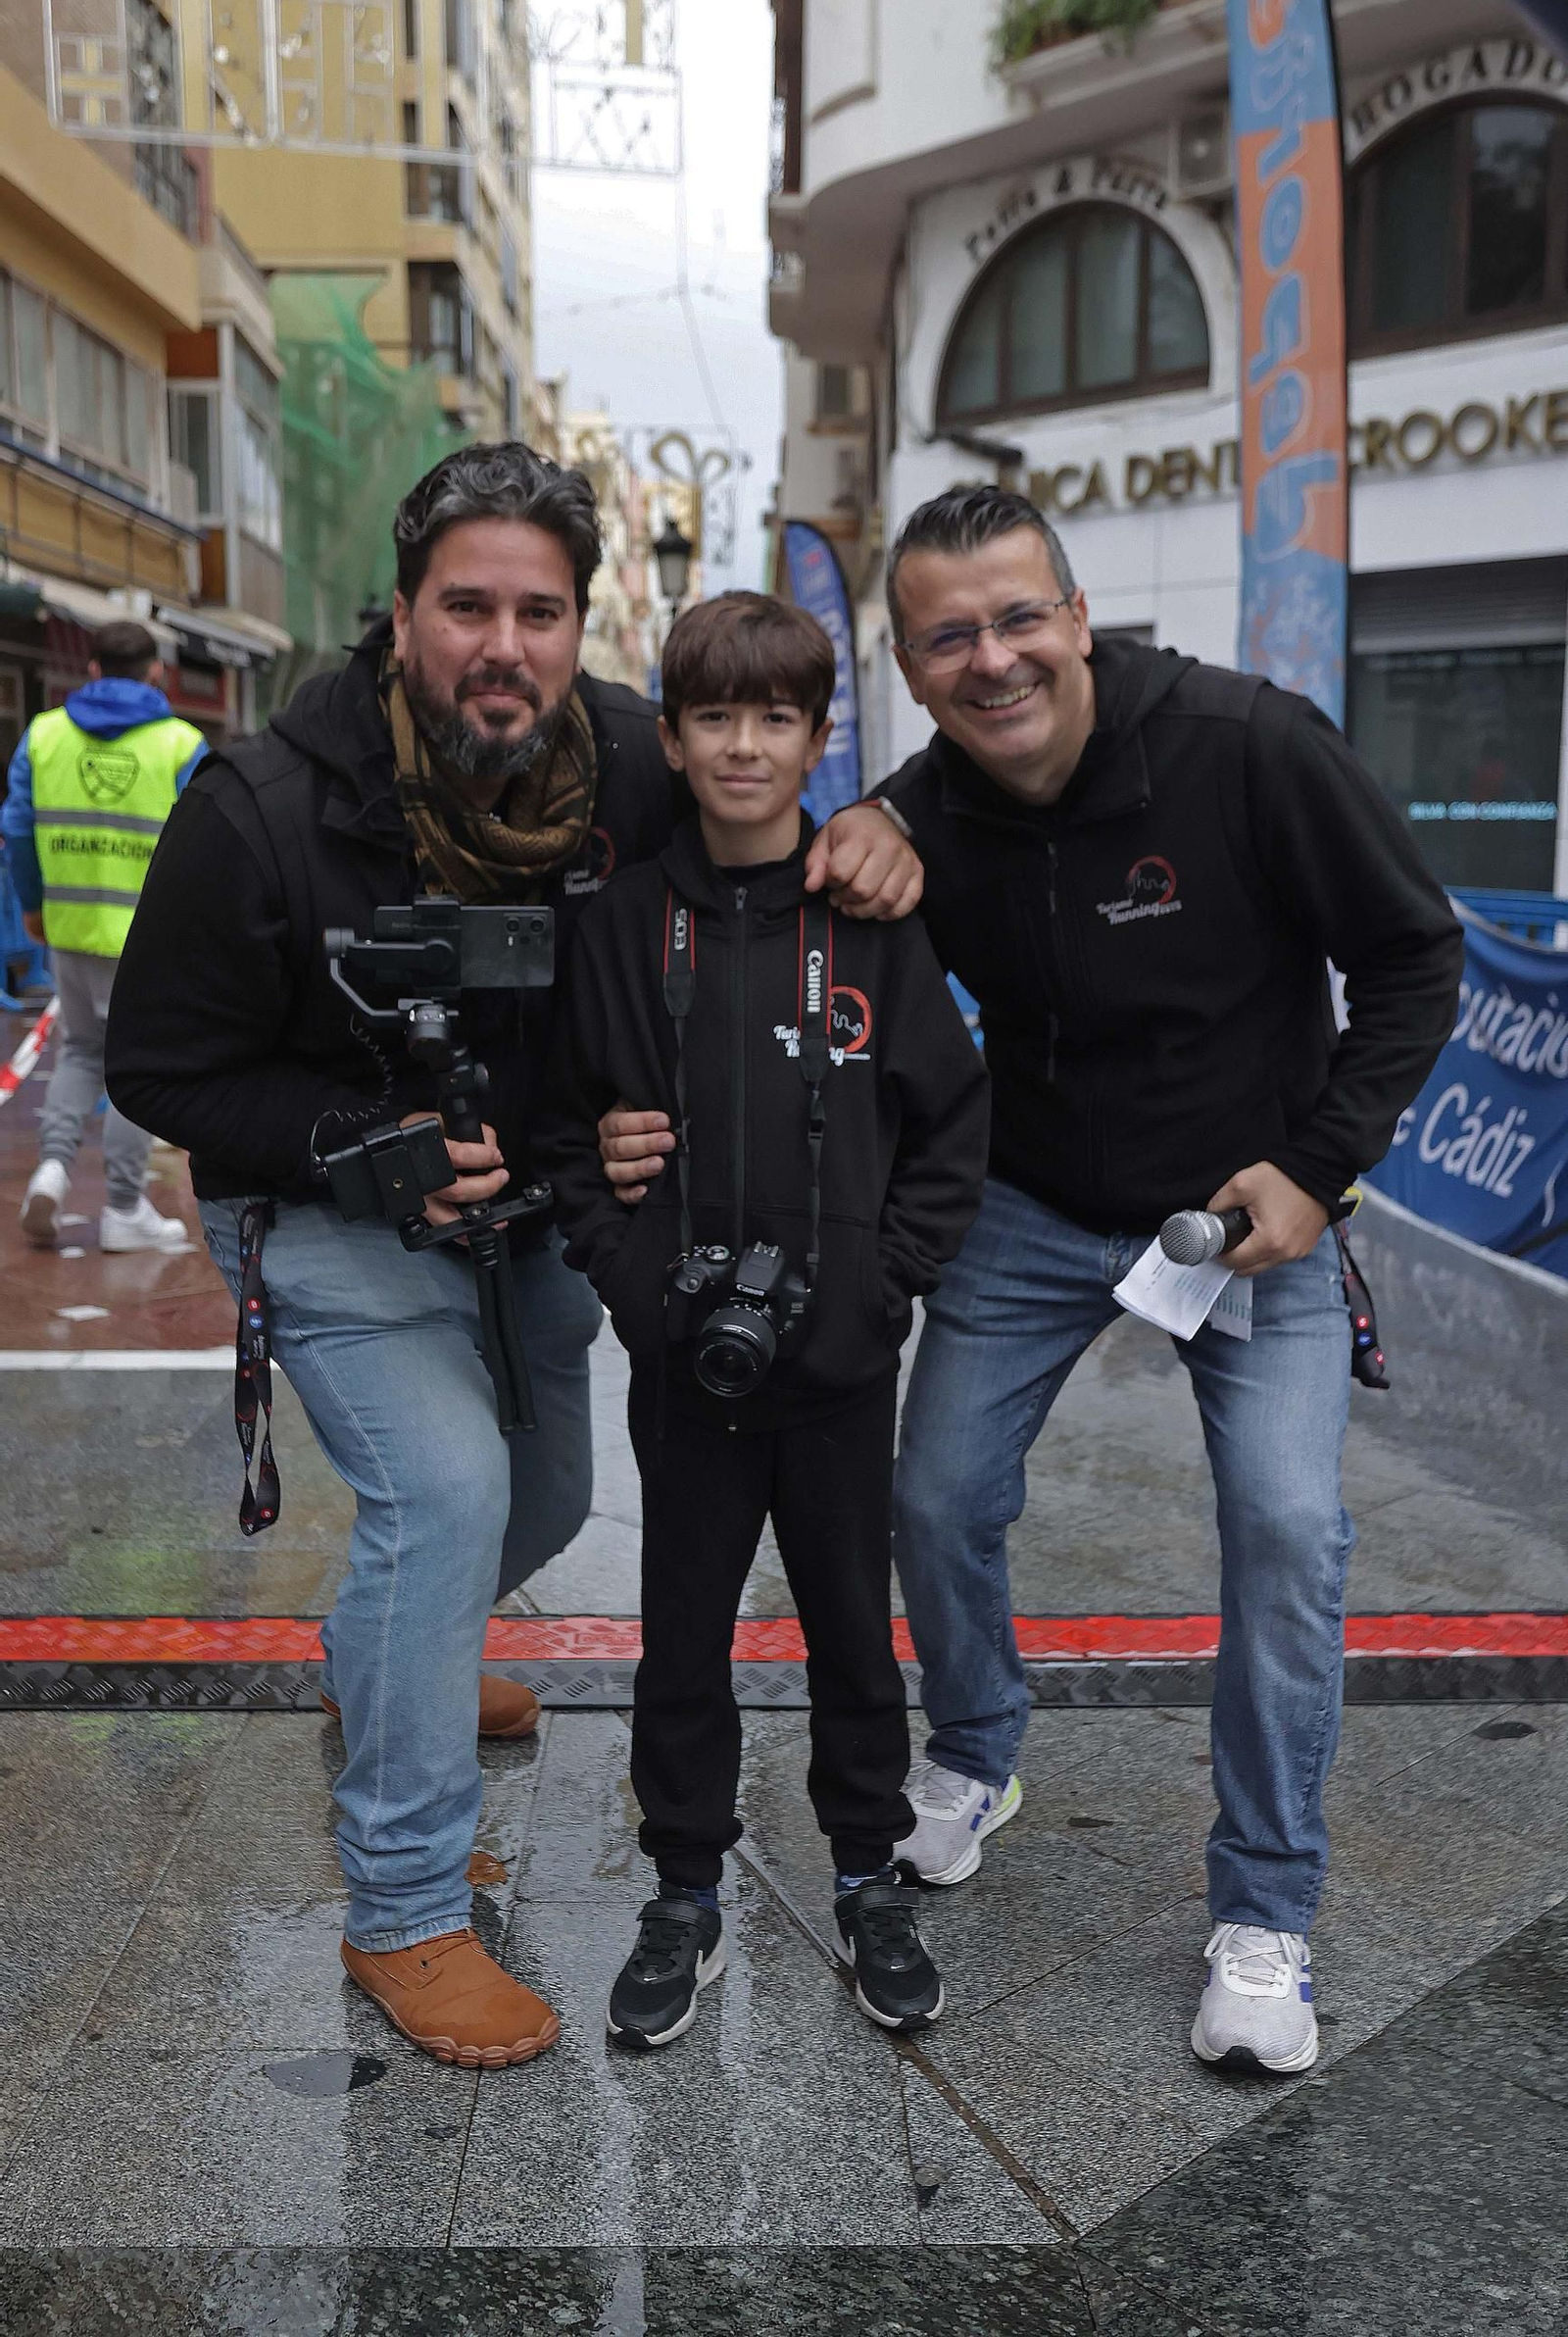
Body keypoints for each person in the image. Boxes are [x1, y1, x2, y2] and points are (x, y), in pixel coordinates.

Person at [597, 486, 1465, 2077]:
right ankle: (978, 1754)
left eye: (1018, 619)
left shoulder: (1249, 748)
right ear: (913, 677)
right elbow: (842, 924)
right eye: (949, 638)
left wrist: (1322, 1160)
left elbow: (1417, 956)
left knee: (1285, 1531)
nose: (992, 659)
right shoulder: (918, 817)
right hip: (1038, 1207)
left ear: (1077, 617)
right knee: (930, 1499)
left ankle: (1264, 1913)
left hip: (1246, 1209)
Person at [103, 442, 922, 2069]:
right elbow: (159, 1073)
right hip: (323, 1203)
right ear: (401, 616)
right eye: (465, 604)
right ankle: (404, 1905)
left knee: (547, 1496)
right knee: (453, 1494)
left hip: (532, 1198)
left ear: (580, 622)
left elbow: (767, 822)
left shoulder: (629, 761)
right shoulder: (262, 805)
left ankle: (386, 1658)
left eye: (539, 610)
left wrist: (879, 832)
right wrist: (363, 1143)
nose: (505, 644)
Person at [542, 592, 989, 2049]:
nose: (745, 745)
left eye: (776, 717)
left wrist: (886, 1279)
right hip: (685, 1364)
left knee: (857, 1634)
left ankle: (869, 1875)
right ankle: (685, 1889)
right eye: (716, 717)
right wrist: (628, 1277)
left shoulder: (869, 916)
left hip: (844, 1365)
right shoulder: (617, 926)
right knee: (681, 1640)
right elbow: (564, 1134)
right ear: (669, 739)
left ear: (816, 738)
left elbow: (952, 1120)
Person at [3, 621, 205, 1252]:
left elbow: (17, 830)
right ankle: (122, 1207)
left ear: (91, 669)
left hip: (68, 930)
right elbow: (206, 849)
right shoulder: (180, 745)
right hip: (149, 941)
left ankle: (54, 1168)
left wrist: (35, 912)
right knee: (133, 1066)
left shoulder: (42, 736)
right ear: (155, 672)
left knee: (82, 1053)